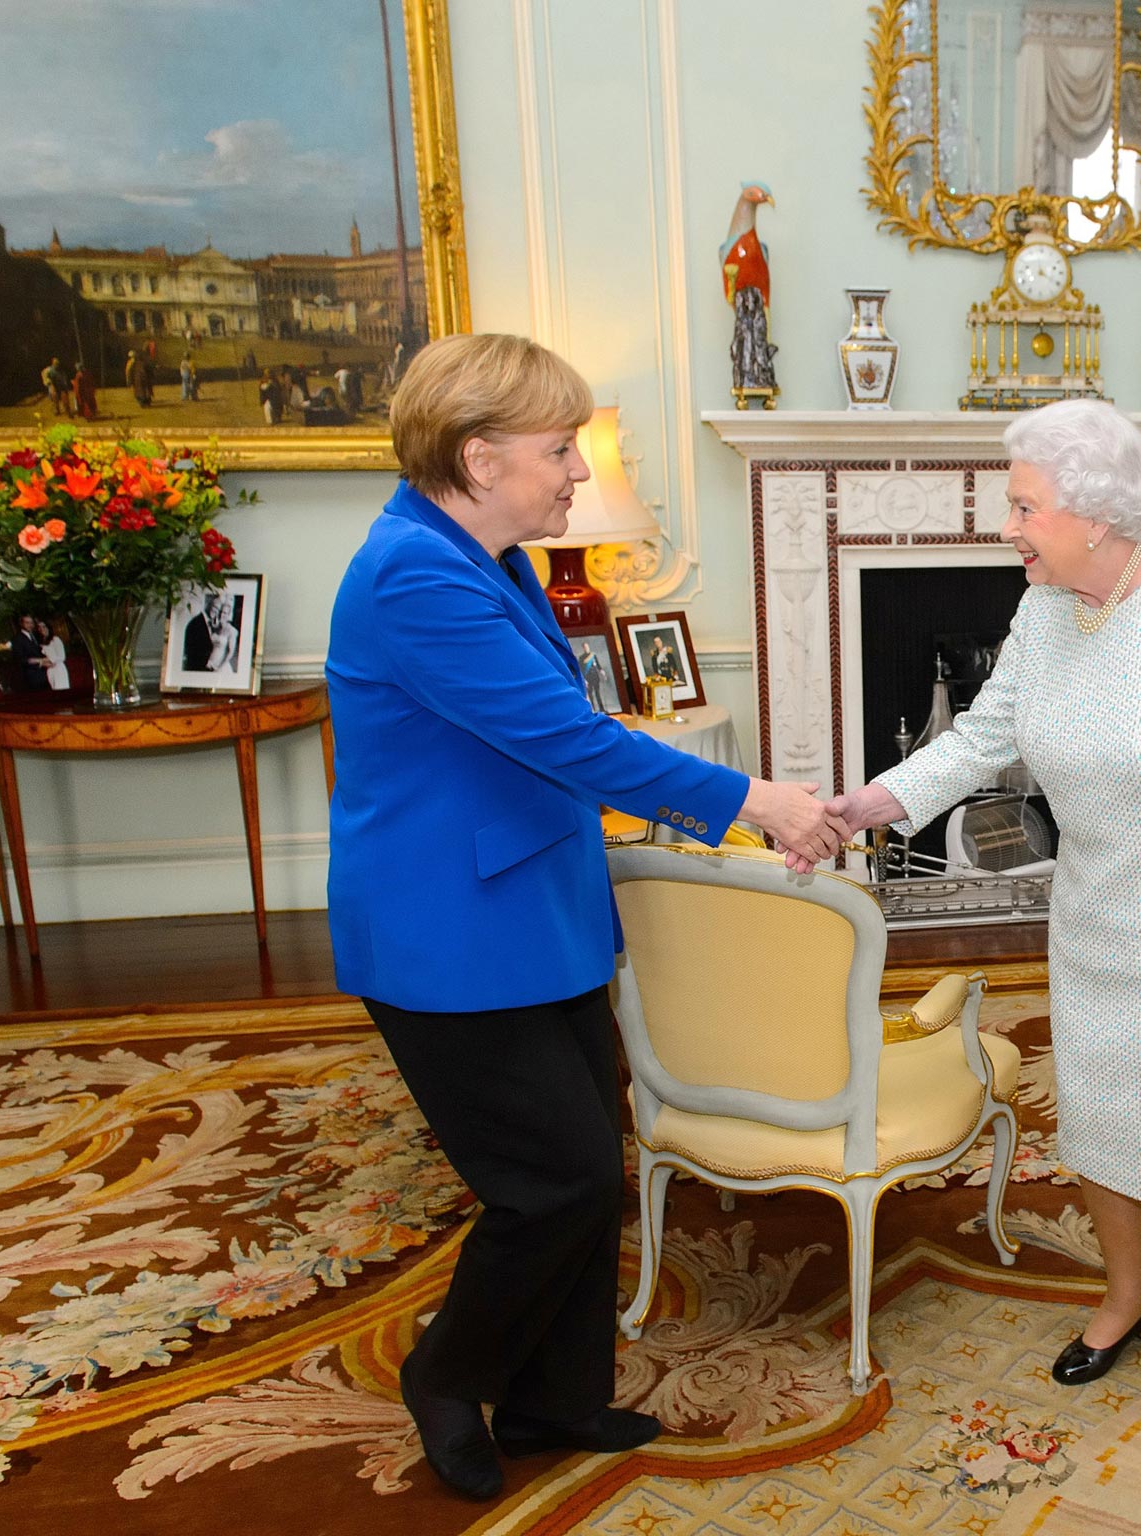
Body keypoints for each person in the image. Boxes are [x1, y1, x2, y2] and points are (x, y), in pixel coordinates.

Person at [324, 332, 845, 1500]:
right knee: (548, 1183)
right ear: (476, 456)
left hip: (531, 909)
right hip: (445, 933)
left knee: (587, 1173)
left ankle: (554, 1400)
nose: (576, 470)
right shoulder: (413, 573)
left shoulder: (486, 554)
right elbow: (564, 738)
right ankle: (446, 1375)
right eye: (558, 449)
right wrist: (756, 800)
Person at [822, 399, 1141, 1427]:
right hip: (1091, 917)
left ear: (1091, 513)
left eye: (1021, 506)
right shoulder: (1044, 611)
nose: (1005, 527)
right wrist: (869, 801)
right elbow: (977, 740)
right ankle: (1129, 1293)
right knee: (1100, 1119)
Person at [9, 613, 46, 691]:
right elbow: (20, 659)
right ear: (21, 624)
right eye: (27, 623)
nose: (30, 625)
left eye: (31, 623)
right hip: (31, 676)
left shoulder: (36, 636)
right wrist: (38, 662)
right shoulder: (17, 639)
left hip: (43, 674)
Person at [34, 618, 69, 690]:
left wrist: (47, 659)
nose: (41, 629)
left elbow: (62, 657)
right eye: (39, 628)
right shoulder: (40, 644)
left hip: (59, 669)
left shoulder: (55, 639)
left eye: (43, 627)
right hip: (49, 670)